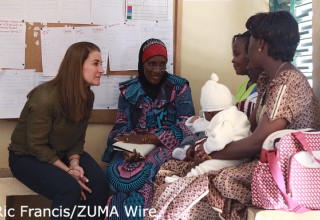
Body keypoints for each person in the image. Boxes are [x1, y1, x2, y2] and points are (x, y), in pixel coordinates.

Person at [151, 11, 320, 220]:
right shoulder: (271, 79)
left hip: (285, 170)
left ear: (261, 44)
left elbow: (256, 143)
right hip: (266, 160)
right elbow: (250, 129)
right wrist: (206, 146)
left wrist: (210, 152)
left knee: (205, 184)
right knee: (174, 169)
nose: (247, 46)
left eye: (252, 38)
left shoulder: (288, 82)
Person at [8, 42, 108, 220]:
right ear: (77, 66)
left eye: (101, 64)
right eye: (96, 63)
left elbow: (77, 138)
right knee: (69, 188)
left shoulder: (88, 96)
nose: (101, 70)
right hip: (27, 157)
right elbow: (36, 146)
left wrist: (75, 163)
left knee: (99, 182)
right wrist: (69, 172)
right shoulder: (45, 97)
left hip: (61, 153)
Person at [102, 38, 195, 219]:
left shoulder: (179, 87)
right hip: (134, 145)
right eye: (152, 64)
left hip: (168, 146)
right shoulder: (129, 90)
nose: (157, 70)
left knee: (148, 172)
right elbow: (120, 125)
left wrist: (151, 140)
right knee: (115, 171)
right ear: (142, 63)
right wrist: (126, 148)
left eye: (162, 65)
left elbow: (186, 125)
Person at [168, 73, 251, 182]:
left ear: (210, 113)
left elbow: (220, 139)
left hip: (236, 156)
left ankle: (184, 180)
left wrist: (206, 148)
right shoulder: (232, 112)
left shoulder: (223, 119)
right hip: (238, 150)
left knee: (206, 166)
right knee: (197, 145)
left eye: (204, 113)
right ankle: (185, 168)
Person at [232, 31, 261, 118]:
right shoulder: (243, 86)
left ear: (251, 54)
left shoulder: (261, 88)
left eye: (237, 54)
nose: (233, 60)